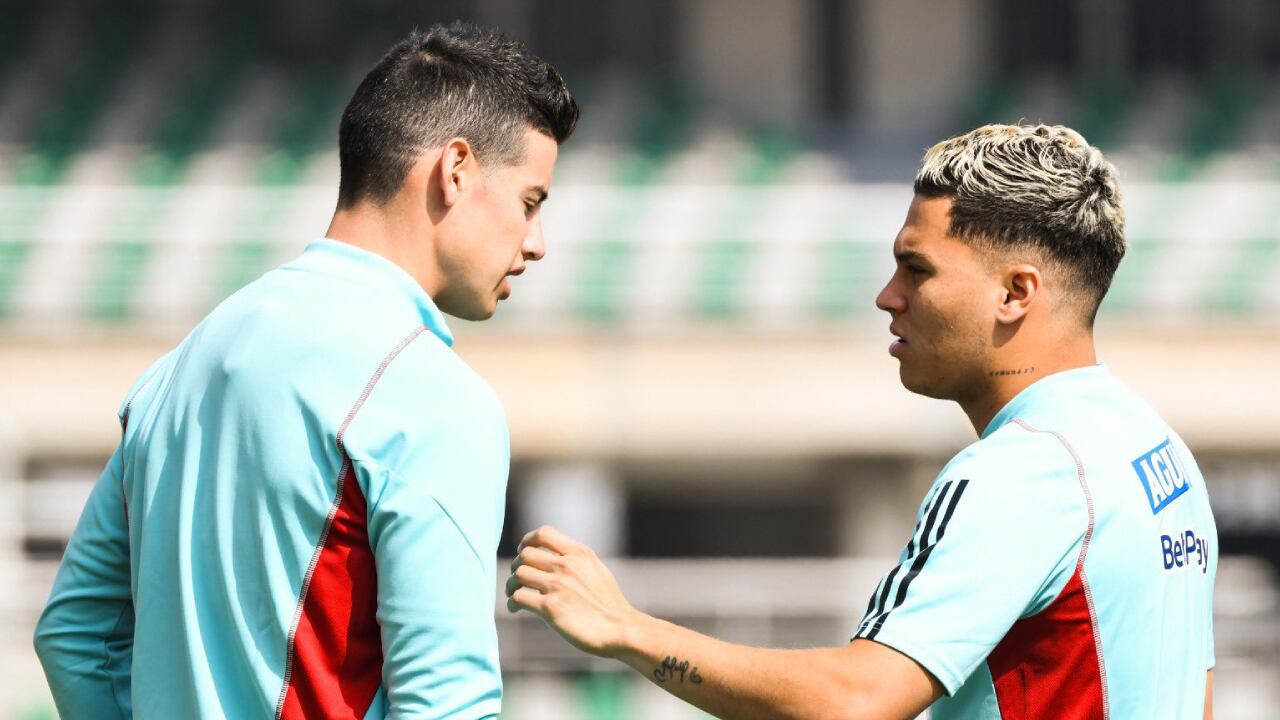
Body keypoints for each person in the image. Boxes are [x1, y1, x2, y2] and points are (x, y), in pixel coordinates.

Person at [507, 124, 1217, 719]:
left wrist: (627, 630)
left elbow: (857, 698)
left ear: (1015, 293)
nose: (887, 296)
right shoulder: (1156, 448)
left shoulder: (1023, 470)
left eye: (917, 270)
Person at [34, 23, 577, 720]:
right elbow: (446, 708)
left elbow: (75, 638)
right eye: (530, 203)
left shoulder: (175, 369)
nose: (536, 243)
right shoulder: (431, 397)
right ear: (456, 169)